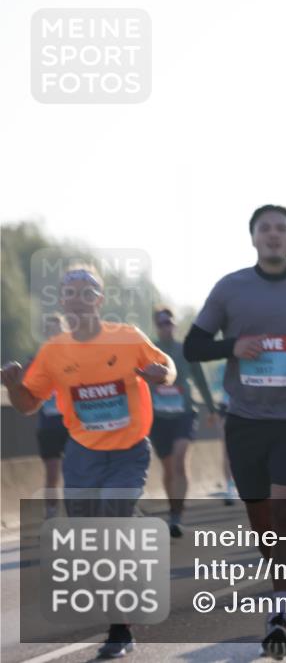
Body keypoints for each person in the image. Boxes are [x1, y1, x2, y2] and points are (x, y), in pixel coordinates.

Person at [183, 205, 286, 659]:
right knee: (262, 522)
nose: (274, 235)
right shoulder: (231, 288)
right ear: (253, 238)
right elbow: (192, 346)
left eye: (282, 228)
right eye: (265, 229)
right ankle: (282, 577)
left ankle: (280, 611)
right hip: (246, 419)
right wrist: (232, 346)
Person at [2, 266, 176, 658]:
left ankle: (120, 630)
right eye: (70, 291)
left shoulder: (128, 337)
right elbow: (29, 405)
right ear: (62, 301)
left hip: (129, 449)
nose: (78, 297)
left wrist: (160, 374)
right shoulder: (53, 352)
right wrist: (14, 386)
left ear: (99, 299)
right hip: (82, 453)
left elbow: (167, 366)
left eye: (87, 291)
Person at [150, 307, 217, 537]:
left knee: (179, 460)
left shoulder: (185, 350)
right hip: (158, 418)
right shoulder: (148, 351)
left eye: (169, 322)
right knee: (168, 467)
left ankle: (177, 515)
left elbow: (200, 379)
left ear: (175, 325)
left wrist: (211, 408)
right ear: (156, 327)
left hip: (184, 414)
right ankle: (173, 507)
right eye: (161, 324)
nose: (165, 327)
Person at [32, 314, 71, 520]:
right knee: (52, 474)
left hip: (71, 425)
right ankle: (52, 513)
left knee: (76, 472)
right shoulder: (38, 358)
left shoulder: (72, 357)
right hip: (48, 425)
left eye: (57, 329)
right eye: (49, 330)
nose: (53, 333)